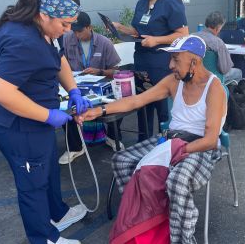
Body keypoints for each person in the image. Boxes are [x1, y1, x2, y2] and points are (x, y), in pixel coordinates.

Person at [76, 35, 227, 244]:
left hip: (200, 146)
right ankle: (147, 221)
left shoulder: (214, 87)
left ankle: (182, 239)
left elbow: (210, 140)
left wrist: (180, 152)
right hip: (171, 140)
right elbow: (137, 100)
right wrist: (100, 110)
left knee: (177, 181)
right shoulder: (174, 82)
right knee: (122, 161)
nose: (170, 65)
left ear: (194, 61)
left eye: (176, 59)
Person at [0, 0, 89, 243]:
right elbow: (2, 92)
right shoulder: (23, 41)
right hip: (15, 123)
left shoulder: (44, 30)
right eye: (64, 24)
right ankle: (44, 237)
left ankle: (57, 213)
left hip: (34, 119)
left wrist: (73, 90)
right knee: (32, 181)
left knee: (47, 165)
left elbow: (59, 57)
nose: (68, 30)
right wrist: (48, 115)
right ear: (44, 14)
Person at [112, 0, 189, 141]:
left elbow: (183, 34)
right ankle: (144, 142)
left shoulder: (171, 2)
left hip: (162, 64)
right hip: (141, 63)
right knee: (142, 105)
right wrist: (120, 28)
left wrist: (157, 40)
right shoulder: (141, 4)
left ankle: (168, 143)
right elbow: (137, 32)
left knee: (163, 109)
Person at [59, 12, 124, 164]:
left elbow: (116, 71)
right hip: (75, 86)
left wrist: (99, 71)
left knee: (117, 104)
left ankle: (113, 136)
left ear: (89, 27)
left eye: (80, 31)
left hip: (100, 87)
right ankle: (75, 147)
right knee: (64, 107)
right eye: (74, 31)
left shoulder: (104, 42)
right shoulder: (68, 39)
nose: (76, 35)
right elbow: (63, 65)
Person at [194, 11, 243, 83]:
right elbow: (224, 69)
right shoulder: (218, 42)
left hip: (194, 75)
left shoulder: (191, 37)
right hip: (213, 77)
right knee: (238, 72)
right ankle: (226, 92)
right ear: (218, 27)